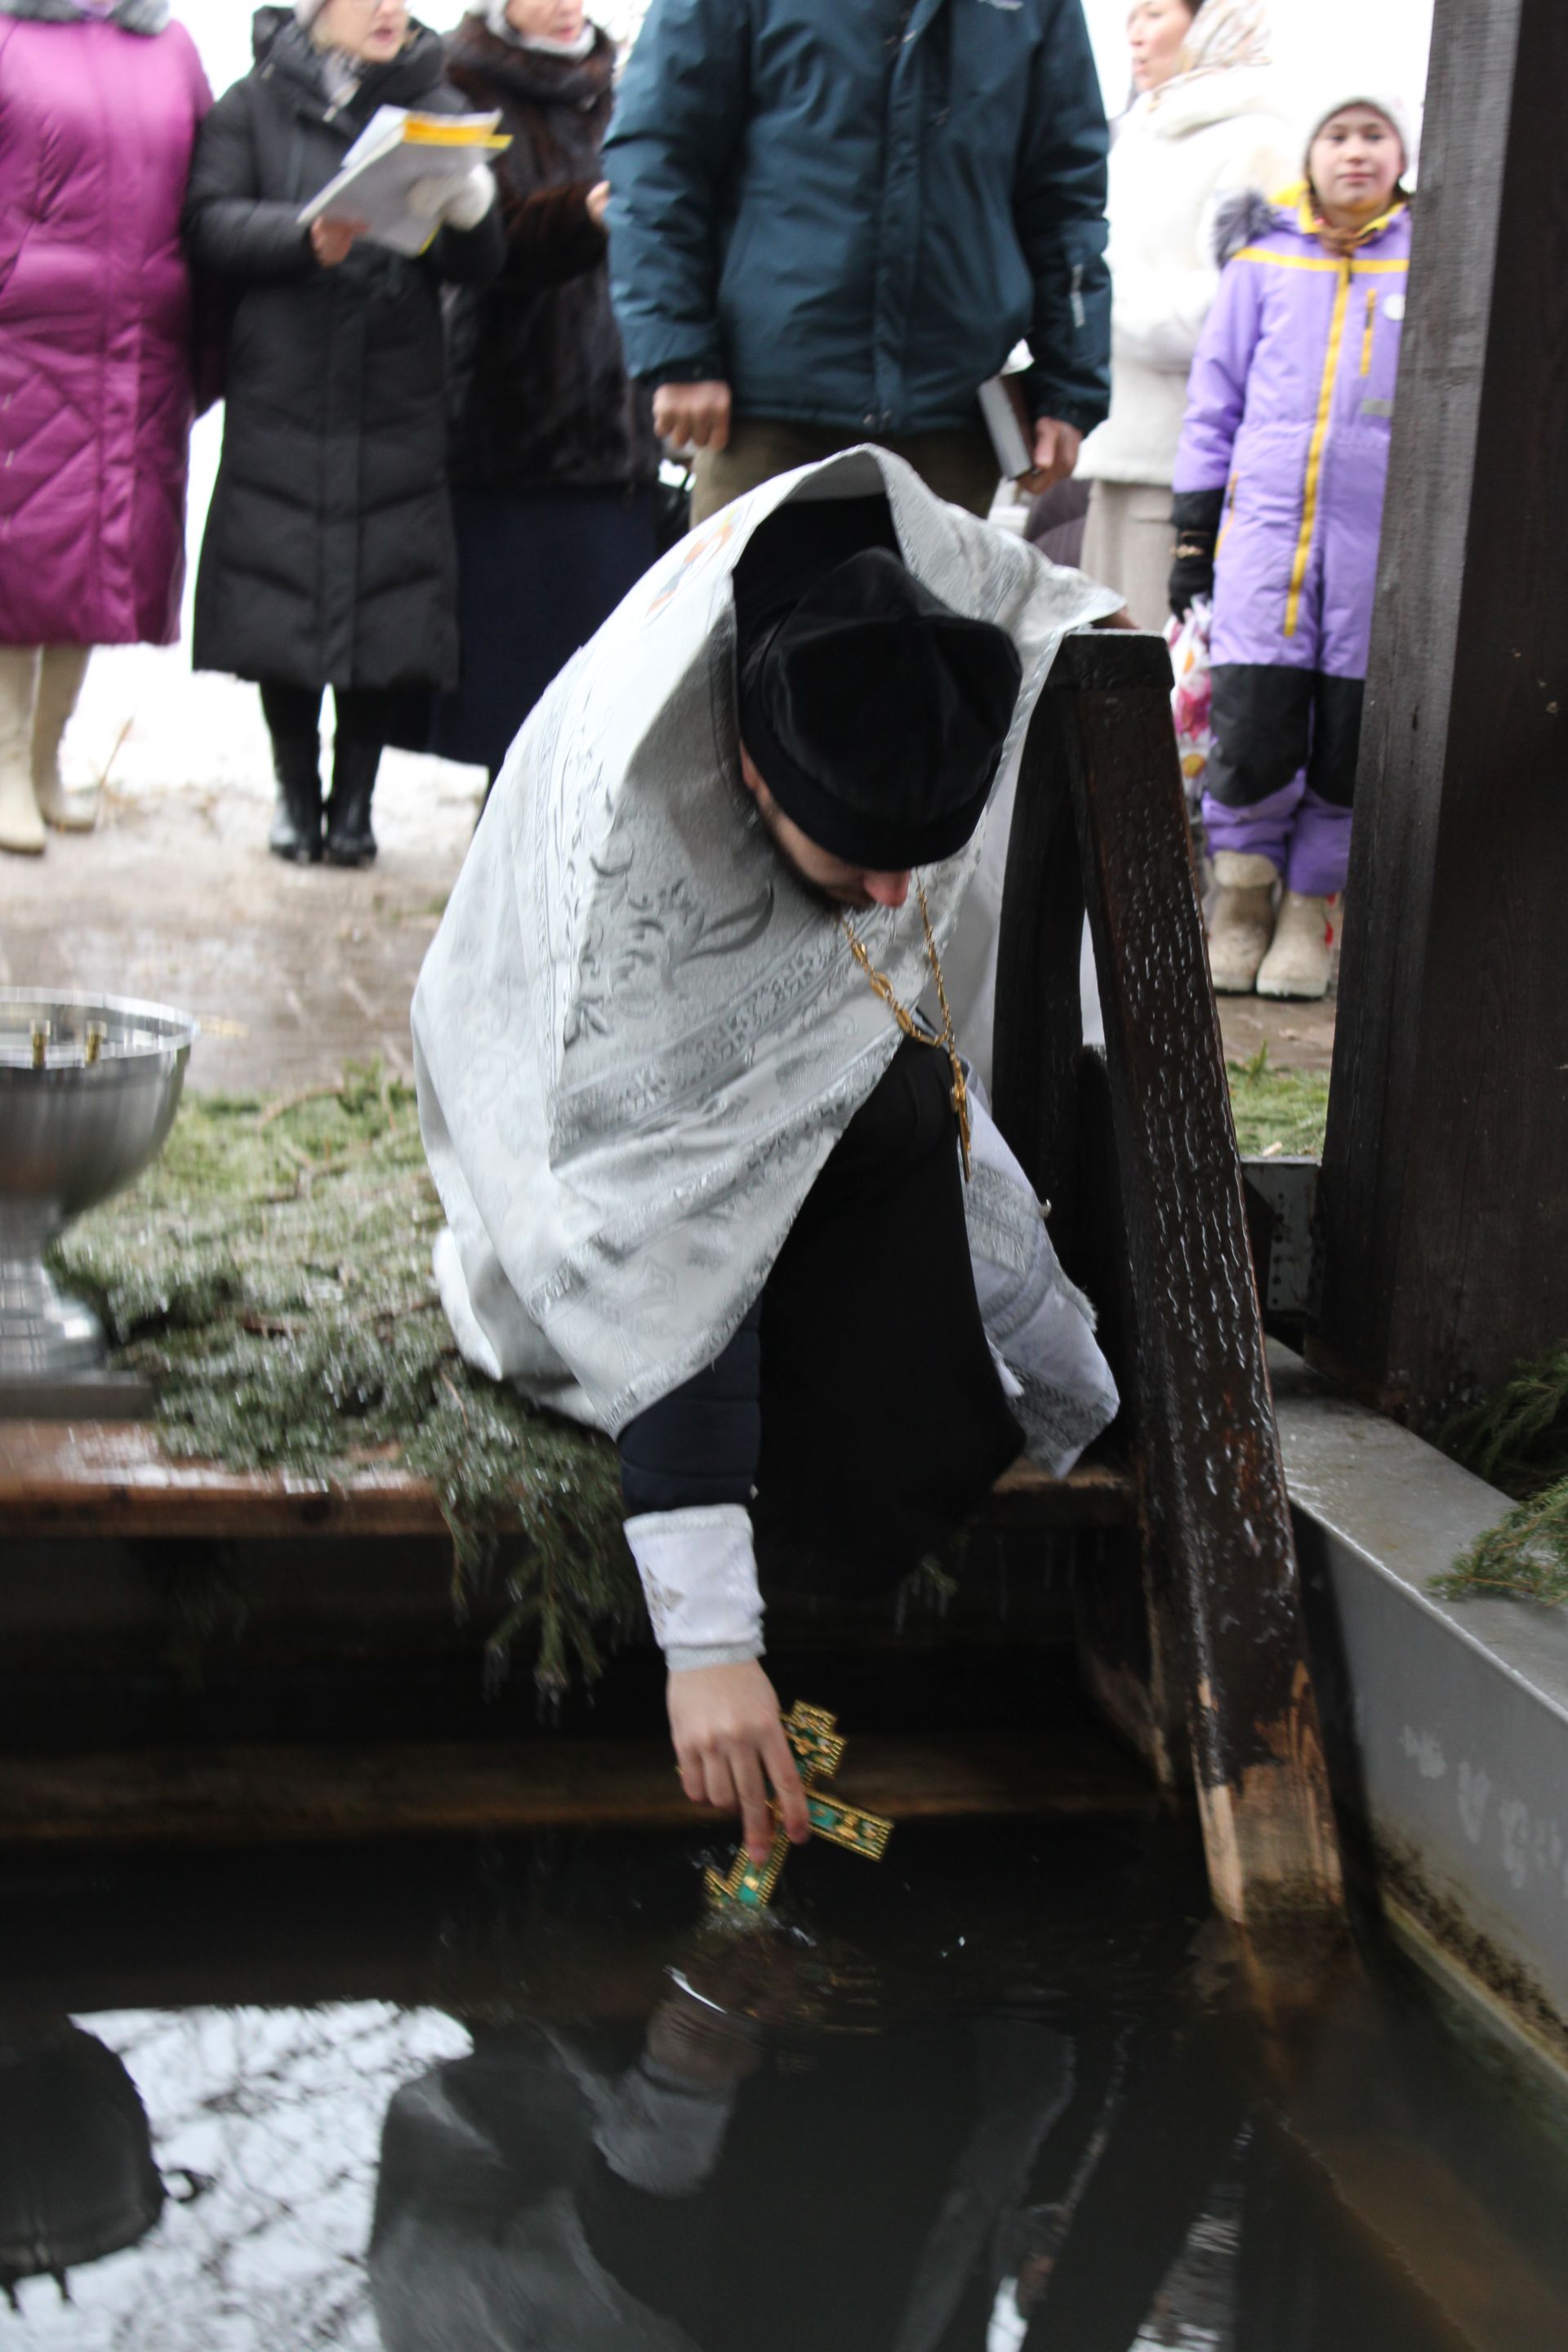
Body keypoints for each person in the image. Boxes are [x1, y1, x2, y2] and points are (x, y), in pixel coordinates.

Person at [412, 448, 1121, 1859]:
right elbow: (675, 1245)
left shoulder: (924, 596)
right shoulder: (651, 870)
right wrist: (713, 1649)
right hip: (576, 1173)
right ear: (749, 765)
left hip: (774, 1132)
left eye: (914, 856)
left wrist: (1082, 1387)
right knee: (824, 1185)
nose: (892, 896)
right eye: (856, 857)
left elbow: (1046, 605)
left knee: (902, 1094)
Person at [183, 0, 505, 868]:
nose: (390, 12)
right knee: (278, 596)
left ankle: (356, 806)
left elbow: (481, 265)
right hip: (283, 384)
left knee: (386, 600)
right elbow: (207, 222)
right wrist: (299, 236)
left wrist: (469, 205)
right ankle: (295, 796)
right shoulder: (251, 105)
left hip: (394, 386)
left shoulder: (434, 108)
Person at [601, 0, 1111, 526]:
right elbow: (658, 158)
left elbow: (1066, 195)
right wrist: (679, 351)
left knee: (938, 610)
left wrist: (1067, 389)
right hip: (762, 409)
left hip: (953, 408)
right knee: (748, 607)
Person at [1169, 89, 1414, 997]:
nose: (1356, 153)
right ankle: (1240, 897)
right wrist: (1193, 538)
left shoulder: (1426, 266)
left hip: (1374, 552)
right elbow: (1214, 401)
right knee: (1255, 726)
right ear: (1309, 155)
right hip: (1267, 542)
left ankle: (1312, 907)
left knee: (1349, 735)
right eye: (1338, 136)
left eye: (1375, 136)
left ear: (1401, 156)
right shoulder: (1263, 263)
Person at [0, 0, 211, 858]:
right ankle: (4, 763)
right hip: (26, 339)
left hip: (138, 345)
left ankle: (46, 757)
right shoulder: (10, 35)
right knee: (20, 560)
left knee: (97, 564)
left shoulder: (169, 45)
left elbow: (207, 186)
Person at [434, 0, 661, 786]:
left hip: (623, 428)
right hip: (513, 422)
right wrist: (585, 213)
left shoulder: (633, 80)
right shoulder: (458, 84)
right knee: (513, 692)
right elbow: (479, 243)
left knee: (611, 690)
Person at [1075, 0, 1292, 630]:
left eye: (1156, 12)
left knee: (1159, 695)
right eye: (1131, 14)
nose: (1134, 33)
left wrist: (1098, 309)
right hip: (1109, 451)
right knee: (1094, 688)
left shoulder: (1260, 139)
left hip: (1182, 470)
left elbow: (1244, 313)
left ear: (1212, 20)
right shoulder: (1134, 135)